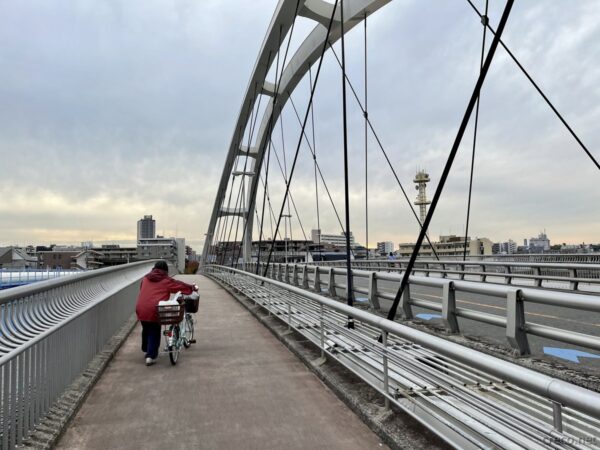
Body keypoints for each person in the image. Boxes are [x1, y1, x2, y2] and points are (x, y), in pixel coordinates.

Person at [135, 260, 198, 366]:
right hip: (154, 309)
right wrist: (191, 288)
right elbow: (179, 285)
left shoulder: (145, 278)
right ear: (165, 271)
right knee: (154, 331)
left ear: (154, 269)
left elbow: (142, 289)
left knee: (146, 327)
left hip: (141, 308)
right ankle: (150, 356)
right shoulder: (165, 280)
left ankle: (146, 349)